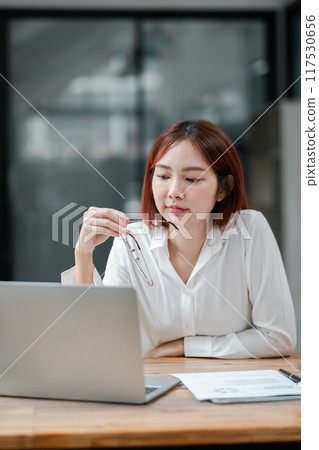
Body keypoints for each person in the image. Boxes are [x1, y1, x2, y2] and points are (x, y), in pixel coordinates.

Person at [61, 119, 296, 359]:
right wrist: (83, 255)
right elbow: (95, 341)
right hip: (158, 387)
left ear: (223, 188)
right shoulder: (131, 242)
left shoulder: (251, 230)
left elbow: (278, 337)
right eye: (163, 176)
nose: (174, 191)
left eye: (192, 179)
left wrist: (186, 347)